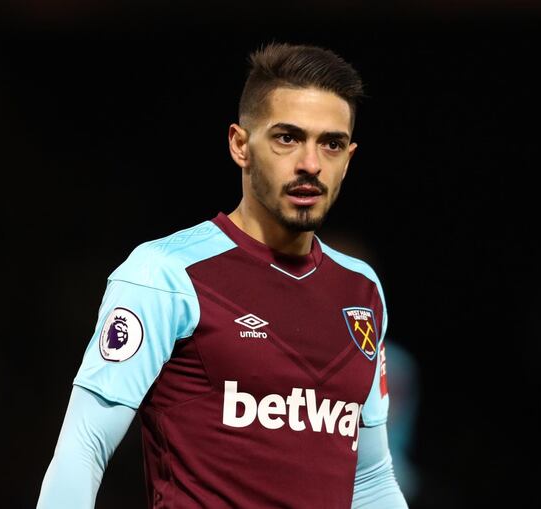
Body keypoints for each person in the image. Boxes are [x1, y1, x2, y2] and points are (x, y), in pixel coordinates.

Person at [37, 42, 408, 508]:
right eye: (287, 137)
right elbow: (83, 447)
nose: (310, 164)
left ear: (348, 158)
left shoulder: (362, 290)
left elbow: (371, 478)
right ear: (240, 145)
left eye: (330, 143)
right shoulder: (164, 274)